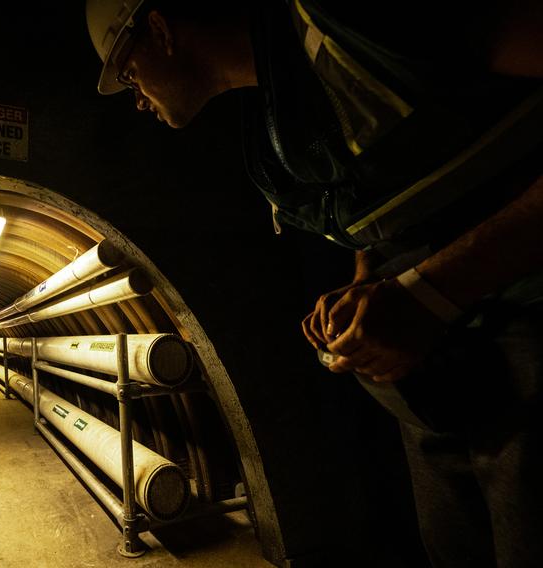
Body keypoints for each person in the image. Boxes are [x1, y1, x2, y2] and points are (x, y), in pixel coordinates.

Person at [86, 1, 542, 566]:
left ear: (160, 29)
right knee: (453, 547)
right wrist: (365, 282)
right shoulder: (274, 125)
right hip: (438, 369)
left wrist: (429, 292)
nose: (136, 97)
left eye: (131, 73)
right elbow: (390, 196)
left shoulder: (356, 18)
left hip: (526, 322)